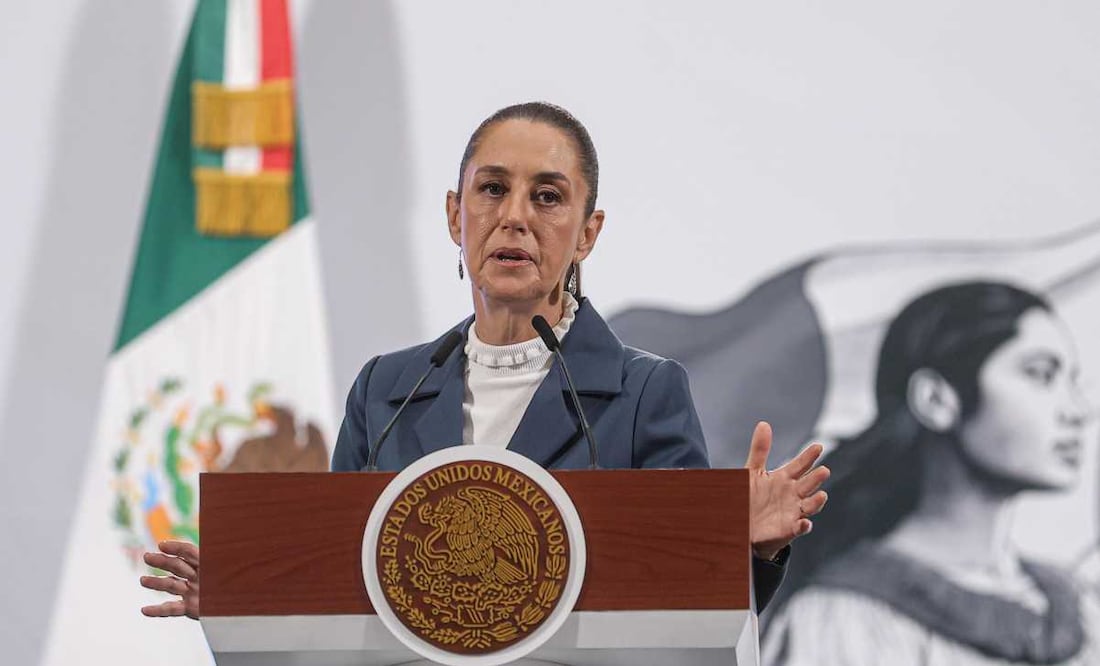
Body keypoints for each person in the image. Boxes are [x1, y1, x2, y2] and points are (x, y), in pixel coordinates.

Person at [139, 101, 830, 620]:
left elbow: (680, 607)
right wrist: (249, 601)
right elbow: (344, 587)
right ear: (454, 215)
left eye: (548, 197)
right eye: (492, 189)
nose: (515, 217)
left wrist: (747, 548)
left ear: (589, 233)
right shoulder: (385, 392)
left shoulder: (645, 392)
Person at [762, 281, 1099, 665]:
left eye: (1072, 380)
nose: (1078, 410)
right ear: (936, 399)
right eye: (1041, 374)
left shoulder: (1080, 607)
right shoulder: (841, 618)